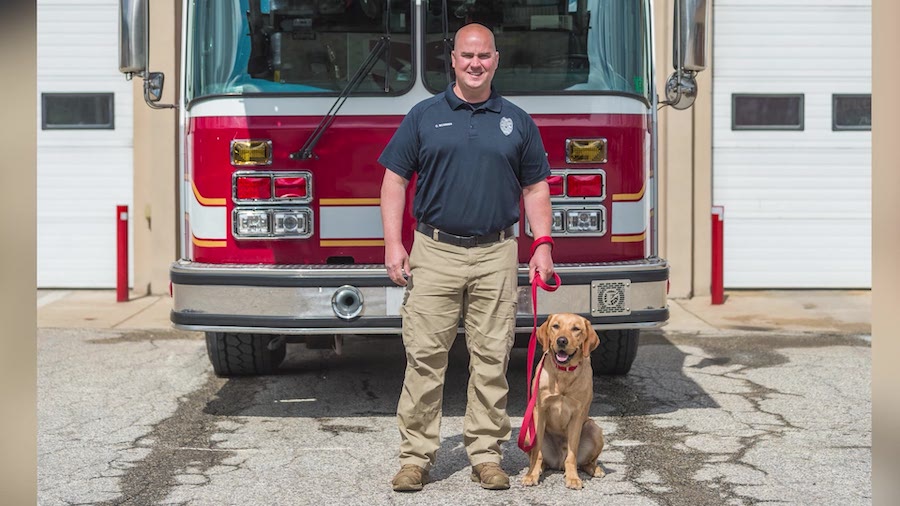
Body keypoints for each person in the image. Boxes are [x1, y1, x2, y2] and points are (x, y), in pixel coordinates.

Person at [378, 22, 554, 492]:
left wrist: (542, 246)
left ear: (496, 60)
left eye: (484, 55)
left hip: (497, 252)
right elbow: (394, 179)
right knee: (424, 358)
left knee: (492, 358)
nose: (475, 63)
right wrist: (395, 244)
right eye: (467, 55)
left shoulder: (517, 121)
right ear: (453, 59)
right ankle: (416, 458)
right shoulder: (423, 115)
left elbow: (536, 187)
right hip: (433, 252)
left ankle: (485, 454)